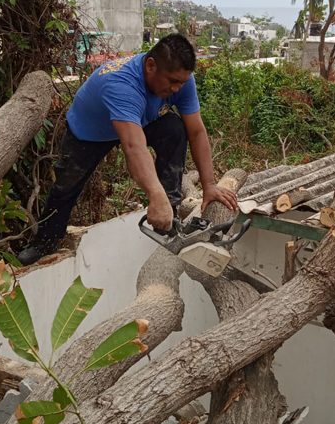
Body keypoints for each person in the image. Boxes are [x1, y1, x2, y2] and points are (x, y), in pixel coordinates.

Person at [17, 34, 238, 265]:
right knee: (67, 184)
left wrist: (209, 185)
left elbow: (197, 132)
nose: (176, 88)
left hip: (140, 120)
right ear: (151, 65)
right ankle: (45, 242)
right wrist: (155, 195)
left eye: (181, 82)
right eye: (172, 81)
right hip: (91, 131)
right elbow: (134, 147)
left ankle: (168, 217)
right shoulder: (121, 85)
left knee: (175, 129)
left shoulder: (179, 81)